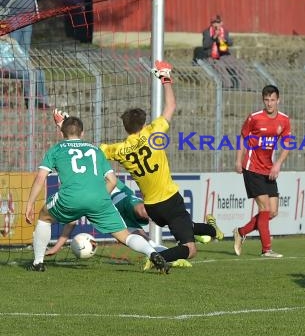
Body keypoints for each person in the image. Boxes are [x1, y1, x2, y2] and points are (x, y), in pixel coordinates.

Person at [99, 60, 224, 268]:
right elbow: (171, 106)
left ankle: (213, 230)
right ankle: (158, 258)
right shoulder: (153, 133)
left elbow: (94, 151)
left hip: (152, 208)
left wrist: (66, 131)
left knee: (186, 225)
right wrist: (165, 78)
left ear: (126, 127)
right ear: (143, 123)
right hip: (170, 199)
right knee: (191, 249)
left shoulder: (119, 149)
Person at [23, 114, 169, 273]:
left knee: (45, 216)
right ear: (83, 133)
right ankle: (152, 253)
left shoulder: (55, 150)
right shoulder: (95, 150)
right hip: (100, 199)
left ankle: (38, 262)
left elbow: (40, 179)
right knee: (124, 235)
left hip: (70, 198)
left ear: (61, 133)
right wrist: (98, 197)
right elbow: (112, 180)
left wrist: (29, 204)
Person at [45, 179, 193, 268]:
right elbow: (71, 221)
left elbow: (112, 179)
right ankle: (172, 258)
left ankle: (188, 227)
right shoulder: (76, 185)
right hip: (109, 210)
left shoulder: (95, 168)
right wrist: (57, 246)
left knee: (142, 211)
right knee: (140, 238)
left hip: (121, 199)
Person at [233, 85, 291, 258]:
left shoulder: (284, 120)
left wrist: (278, 163)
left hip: (269, 169)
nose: (269, 103)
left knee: (272, 212)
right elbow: (243, 137)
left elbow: (287, 144)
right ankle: (267, 249)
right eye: (266, 100)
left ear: (278, 100)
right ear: (263, 100)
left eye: (272, 100)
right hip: (251, 167)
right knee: (264, 208)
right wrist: (238, 159)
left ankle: (241, 231)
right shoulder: (255, 118)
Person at [0, 33, 49, 108]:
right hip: (5, 66)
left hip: (18, 63)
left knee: (39, 73)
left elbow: (23, 56)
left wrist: (31, 67)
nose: (4, 34)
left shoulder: (12, 42)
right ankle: (30, 102)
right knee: (27, 74)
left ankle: (41, 102)